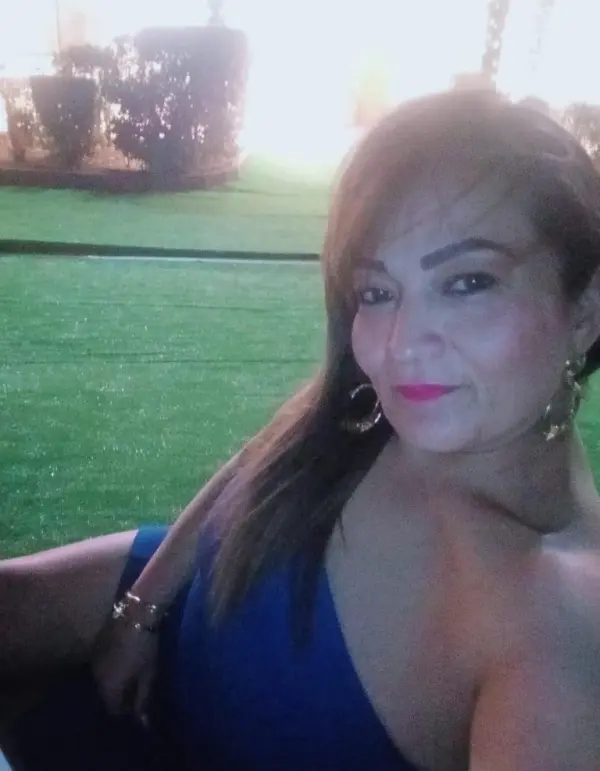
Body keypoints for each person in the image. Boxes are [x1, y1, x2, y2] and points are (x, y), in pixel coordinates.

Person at [3, 88, 600, 770]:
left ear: (585, 311)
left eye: (468, 282)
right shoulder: (388, 406)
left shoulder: (558, 624)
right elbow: (266, 461)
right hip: (198, 581)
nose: (401, 344)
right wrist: (141, 609)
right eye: (378, 291)